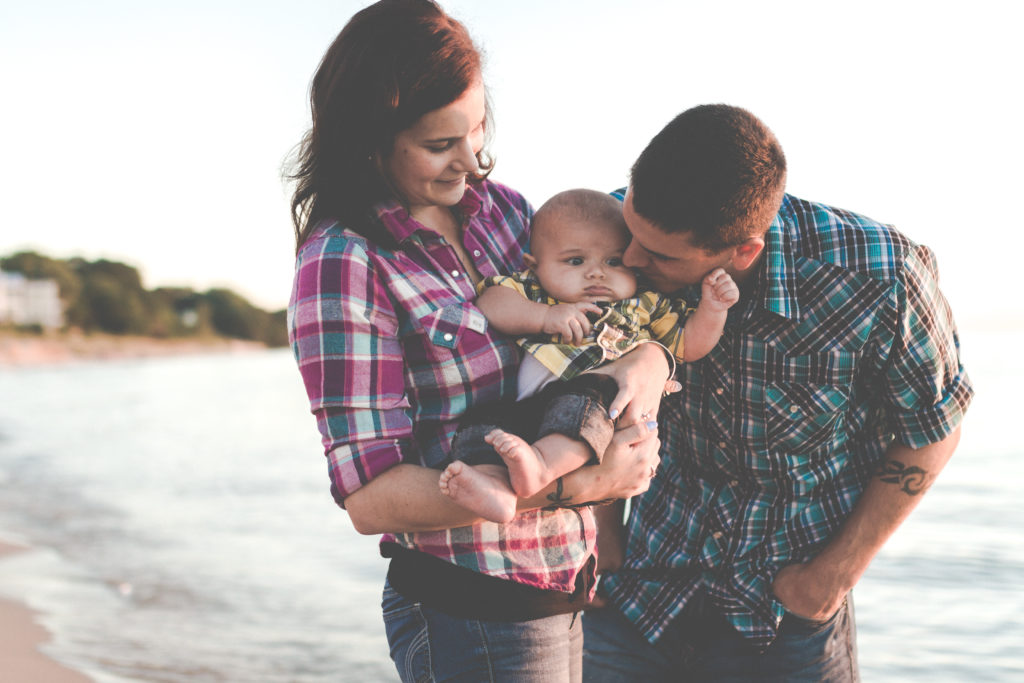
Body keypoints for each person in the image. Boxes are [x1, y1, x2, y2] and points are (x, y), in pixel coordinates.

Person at [286, 2, 666, 681]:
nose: (470, 162)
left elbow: (604, 321)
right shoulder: (343, 260)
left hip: (564, 587)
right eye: (439, 145)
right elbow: (371, 496)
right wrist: (577, 484)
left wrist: (649, 359)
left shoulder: (508, 213)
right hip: (472, 609)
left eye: (477, 128)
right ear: (371, 141)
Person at [582, 104, 974, 682]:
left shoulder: (879, 276)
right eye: (631, 229)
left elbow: (932, 432)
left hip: (787, 618)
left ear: (744, 250)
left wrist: (830, 579)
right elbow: (581, 377)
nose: (631, 260)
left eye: (661, 255)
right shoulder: (608, 231)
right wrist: (603, 537)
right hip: (634, 594)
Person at [438, 188, 739, 524]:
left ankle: (542, 467)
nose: (596, 273)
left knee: (581, 411)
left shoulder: (644, 303)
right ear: (535, 266)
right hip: (527, 405)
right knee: (485, 425)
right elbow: (491, 304)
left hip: (592, 400)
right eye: (576, 261)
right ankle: (495, 488)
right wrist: (543, 316)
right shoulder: (536, 291)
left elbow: (688, 344)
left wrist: (714, 309)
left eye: (613, 261)